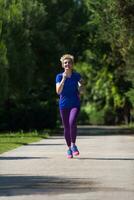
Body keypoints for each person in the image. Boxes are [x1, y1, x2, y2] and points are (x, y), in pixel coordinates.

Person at [56, 54, 82, 158]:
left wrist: (81, 85)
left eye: (69, 62)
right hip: (63, 105)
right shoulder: (58, 76)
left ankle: (74, 145)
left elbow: (82, 90)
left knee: (72, 122)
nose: (67, 64)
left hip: (75, 104)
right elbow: (58, 92)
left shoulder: (77, 76)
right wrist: (63, 79)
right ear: (63, 65)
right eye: (65, 63)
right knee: (66, 127)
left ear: (72, 64)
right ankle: (69, 148)